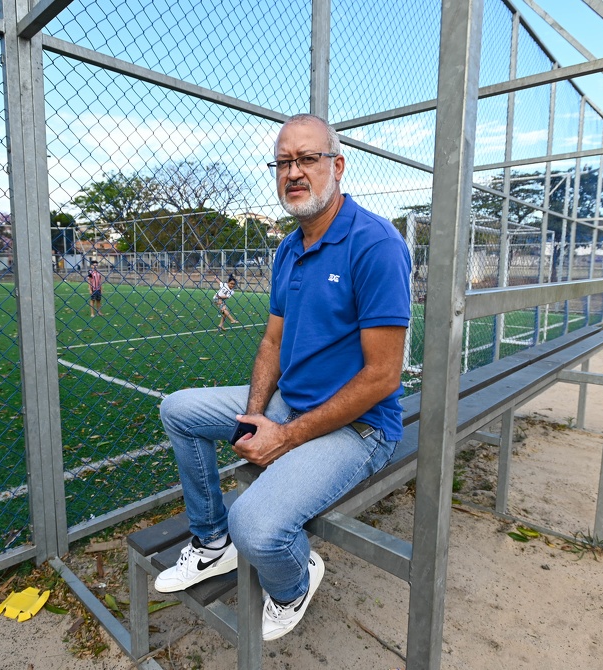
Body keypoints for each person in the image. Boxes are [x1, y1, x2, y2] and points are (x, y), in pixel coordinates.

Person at [157, 114, 412, 642]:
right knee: (178, 408)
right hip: (289, 405)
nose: (293, 172)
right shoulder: (288, 248)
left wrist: (286, 438)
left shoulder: (375, 244)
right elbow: (272, 342)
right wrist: (256, 415)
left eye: (307, 158)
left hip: (359, 427)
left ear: (337, 166)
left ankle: (295, 582)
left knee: (256, 526)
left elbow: (384, 376)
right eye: (283, 162)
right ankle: (210, 544)